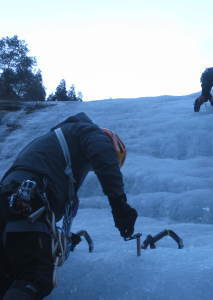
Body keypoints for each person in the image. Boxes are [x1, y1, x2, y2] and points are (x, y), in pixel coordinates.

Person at [0, 112, 138, 300]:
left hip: (12, 202)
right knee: (34, 277)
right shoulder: (89, 131)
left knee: (7, 276)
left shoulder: (51, 147)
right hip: (29, 198)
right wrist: (119, 205)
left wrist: (63, 239)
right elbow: (103, 157)